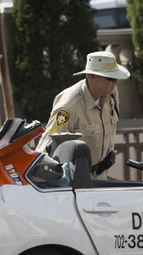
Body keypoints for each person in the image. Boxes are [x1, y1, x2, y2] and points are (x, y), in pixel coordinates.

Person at [36, 51, 130, 179]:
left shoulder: (111, 93)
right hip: (74, 179)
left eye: (116, 77)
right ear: (93, 76)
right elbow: (45, 151)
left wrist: (105, 165)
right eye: (110, 78)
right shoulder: (68, 107)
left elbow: (110, 128)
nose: (116, 82)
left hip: (100, 174)